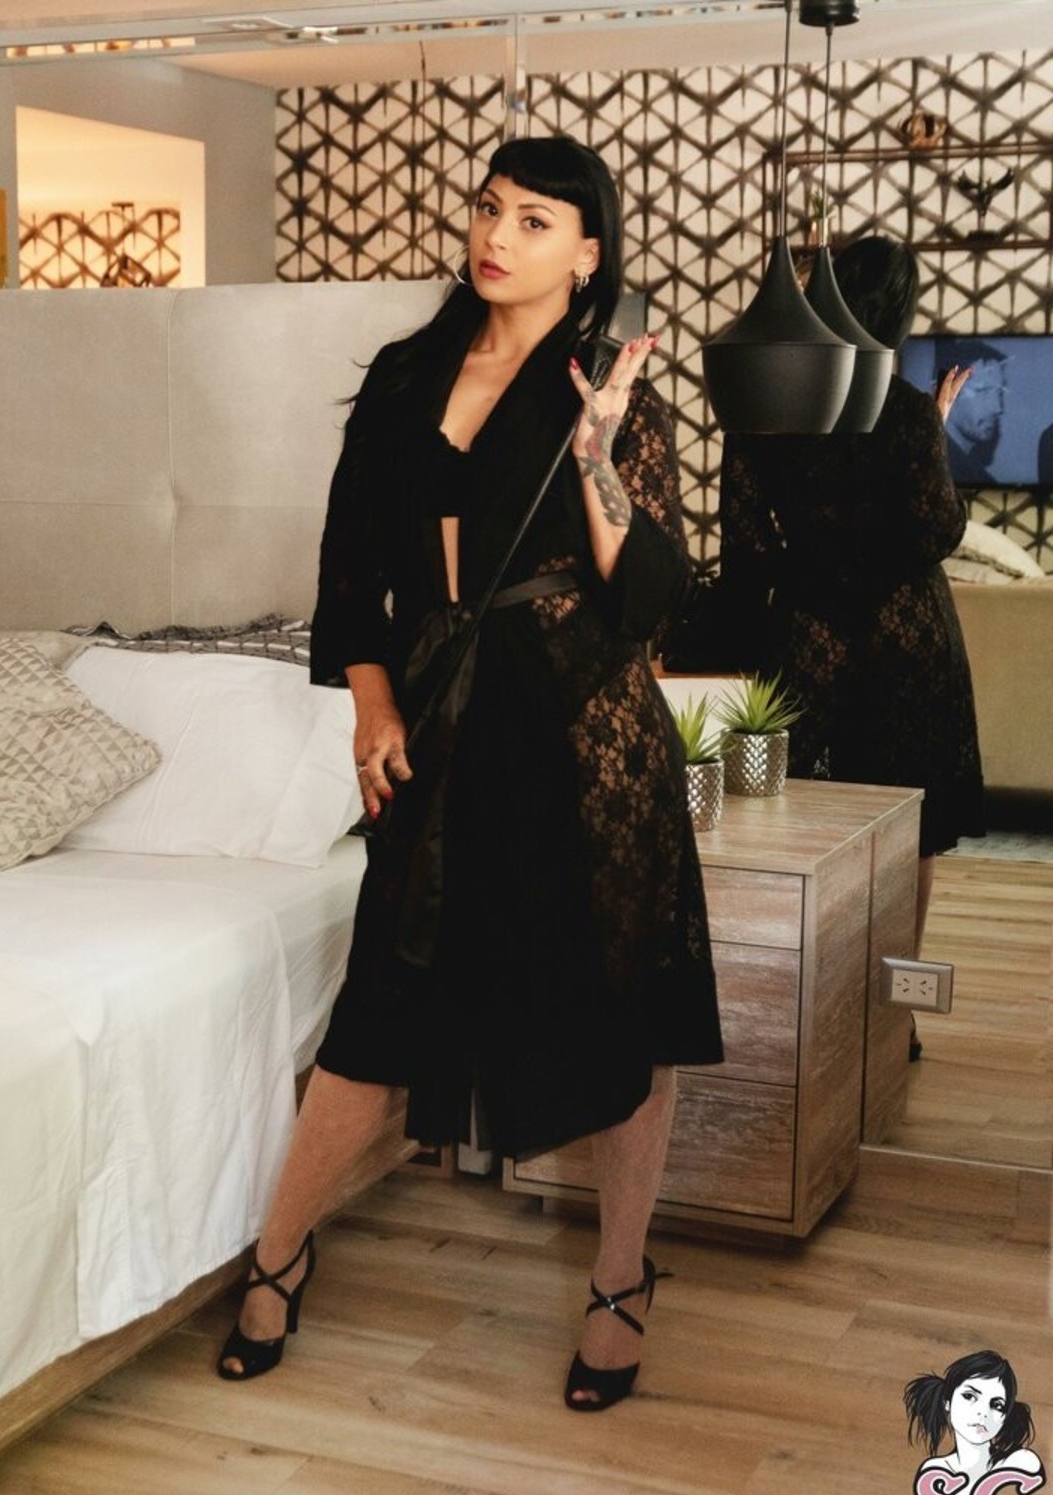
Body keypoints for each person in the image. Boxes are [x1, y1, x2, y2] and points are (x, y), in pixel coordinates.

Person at [216, 134, 723, 1411]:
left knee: (621, 1015)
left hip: (583, 735)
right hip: (443, 729)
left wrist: (599, 449)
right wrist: (371, 706)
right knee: (380, 1011)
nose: (497, 235)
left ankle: (620, 1280)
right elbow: (349, 576)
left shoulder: (608, 391)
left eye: (536, 220)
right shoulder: (405, 377)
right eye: (491, 208)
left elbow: (651, 596)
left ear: (588, 254)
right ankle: (280, 1253)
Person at [717, 235, 985, 1061]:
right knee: (911, 833)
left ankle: (802, 1020)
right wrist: (932, 433)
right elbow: (936, 531)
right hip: (906, 639)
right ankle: (893, 1020)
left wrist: (813, 569)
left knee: (804, 833)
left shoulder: (764, 407)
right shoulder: (904, 410)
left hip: (812, 638)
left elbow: (747, 547)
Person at [904, 1350, 1042, 1495]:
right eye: (969, 1396)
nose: (983, 1413)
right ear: (947, 1402)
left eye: (997, 1405)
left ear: (1005, 1417)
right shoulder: (935, 1472)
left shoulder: (1021, 1462)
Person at [934, 337, 1009, 486]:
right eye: (983, 391)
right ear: (948, 390)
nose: (998, 408)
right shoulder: (929, 470)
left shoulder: (980, 478)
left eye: (999, 393)